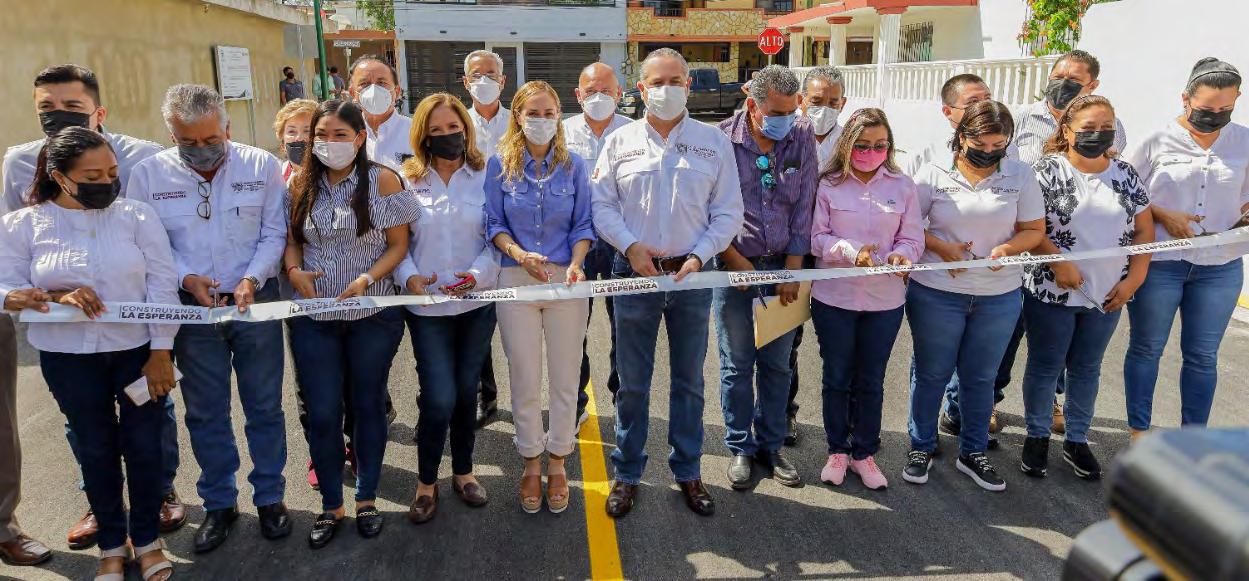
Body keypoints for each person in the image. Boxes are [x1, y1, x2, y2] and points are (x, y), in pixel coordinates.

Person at [0, 63, 182, 551]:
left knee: (145, 441)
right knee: (93, 444)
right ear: (59, 177)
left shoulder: (136, 212)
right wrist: (39, 295)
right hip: (68, 357)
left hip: (134, 351)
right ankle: (110, 538)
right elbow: (10, 277)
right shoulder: (23, 218)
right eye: (93, 176)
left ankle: (151, 523)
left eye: (112, 174)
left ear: (99, 112)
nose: (106, 182)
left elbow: (161, 283)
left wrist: (161, 350)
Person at [125, 84, 290, 553]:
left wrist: (252, 278)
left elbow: (274, 233)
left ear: (227, 128)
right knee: (205, 411)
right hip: (192, 311)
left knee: (264, 406)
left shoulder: (260, 166)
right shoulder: (148, 175)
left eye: (211, 139)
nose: (201, 149)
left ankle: (270, 497)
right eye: (188, 141)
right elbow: (149, 243)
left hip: (254, 303)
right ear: (171, 135)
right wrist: (187, 278)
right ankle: (219, 503)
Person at [592, 48, 744, 518]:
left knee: (689, 381)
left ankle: (688, 470)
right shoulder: (619, 141)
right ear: (641, 89)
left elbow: (728, 212)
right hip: (634, 273)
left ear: (689, 86)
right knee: (633, 382)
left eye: (676, 80)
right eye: (657, 82)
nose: (667, 89)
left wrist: (701, 255)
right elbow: (602, 206)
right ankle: (627, 472)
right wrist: (630, 247)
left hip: (691, 276)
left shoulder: (713, 143)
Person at [285, 99, 419, 548]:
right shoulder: (300, 183)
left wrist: (367, 278)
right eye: (321, 135)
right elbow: (292, 241)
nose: (329, 143)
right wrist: (293, 271)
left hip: (372, 316)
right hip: (315, 318)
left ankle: (366, 500)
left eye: (340, 135)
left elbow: (398, 245)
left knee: (367, 406)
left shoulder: (382, 180)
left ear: (360, 138)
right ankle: (331, 507)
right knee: (323, 412)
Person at [906, 100, 1045, 492]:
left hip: (998, 295)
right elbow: (908, 225)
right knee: (931, 373)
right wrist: (941, 248)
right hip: (937, 291)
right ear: (961, 135)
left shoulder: (1020, 174)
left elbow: (1034, 230)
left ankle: (973, 450)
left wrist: (1009, 249)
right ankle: (921, 446)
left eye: (998, 145)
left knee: (981, 377)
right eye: (980, 144)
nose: (988, 152)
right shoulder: (933, 171)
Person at [1021, 95, 1153, 480]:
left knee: (1087, 368)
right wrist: (1057, 262)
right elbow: (1030, 227)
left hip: (1107, 295)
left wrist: (1133, 281)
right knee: (1045, 365)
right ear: (1067, 131)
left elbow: (1144, 232)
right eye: (1088, 128)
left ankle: (1077, 439)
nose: (1098, 134)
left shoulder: (1125, 173)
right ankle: (1037, 435)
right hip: (1051, 291)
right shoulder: (1045, 171)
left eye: (1106, 127)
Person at [485, 81, 595, 514]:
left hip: (567, 280)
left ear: (558, 116)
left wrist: (577, 262)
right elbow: (494, 224)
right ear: (517, 116)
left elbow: (583, 224)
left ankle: (559, 460)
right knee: (525, 377)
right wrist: (518, 254)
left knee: (566, 379)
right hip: (517, 279)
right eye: (533, 112)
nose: (542, 120)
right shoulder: (499, 165)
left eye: (549, 112)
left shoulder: (574, 166)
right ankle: (531, 460)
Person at [1124, 58, 1247, 439]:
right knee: (1147, 348)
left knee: (1203, 356)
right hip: (1161, 261)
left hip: (1221, 265)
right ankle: (1140, 434)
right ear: (1186, 98)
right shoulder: (1156, 140)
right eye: (1206, 108)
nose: (1215, 115)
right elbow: (1124, 193)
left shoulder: (1244, 141)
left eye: (1225, 108)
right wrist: (1163, 215)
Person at [396, 93, 499, 525]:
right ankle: (426, 483)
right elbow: (396, 245)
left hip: (476, 305)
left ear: (466, 130)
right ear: (422, 136)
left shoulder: (487, 174)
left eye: (453, 128)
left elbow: (497, 238)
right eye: (435, 130)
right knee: (438, 397)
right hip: (428, 312)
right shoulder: (405, 180)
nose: (446, 136)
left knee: (465, 393)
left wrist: (476, 276)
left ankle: (463, 472)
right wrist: (409, 277)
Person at [810, 108, 923, 491]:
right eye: (862, 145)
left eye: (880, 145)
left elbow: (912, 238)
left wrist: (903, 255)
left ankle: (864, 453)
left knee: (871, 379)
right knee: (837, 376)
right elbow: (817, 239)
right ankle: (838, 450)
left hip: (884, 301)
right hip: (834, 299)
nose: (871, 153)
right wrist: (849, 250)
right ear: (847, 145)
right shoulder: (828, 184)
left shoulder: (902, 186)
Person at [715, 65, 815, 491]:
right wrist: (734, 259)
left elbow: (805, 205)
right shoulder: (720, 139)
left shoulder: (802, 137)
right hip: (734, 267)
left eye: (792, 111)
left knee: (777, 365)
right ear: (752, 103)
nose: (785, 120)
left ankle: (771, 447)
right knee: (737, 364)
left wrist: (793, 268)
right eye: (776, 113)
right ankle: (740, 445)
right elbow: (708, 207)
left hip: (784, 270)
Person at [784, 64, 847, 447]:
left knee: (837, 344)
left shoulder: (853, 143)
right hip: (793, 253)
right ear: (802, 101)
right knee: (786, 338)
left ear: (844, 103)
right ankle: (785, 413)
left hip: (837, 256)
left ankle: (844, 425)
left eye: (833, 102)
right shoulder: (786, 135)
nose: (825, 108)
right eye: (817, 100)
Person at [566, 62, 631, 424]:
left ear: (619, 93)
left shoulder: (635, 132)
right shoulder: (561, 132)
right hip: (578, 244)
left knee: (624, 324)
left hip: (622, 242)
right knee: (574, 327)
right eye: (591, 91)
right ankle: (576, 402)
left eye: (606, 91)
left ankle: (622, 397)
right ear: (578, 95)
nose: (599, 97)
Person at [462, 49, 510, 426]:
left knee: (515, 317)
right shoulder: (456, 123)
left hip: (513, 233)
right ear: (466, 82)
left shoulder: (518, 122)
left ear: (503, 81)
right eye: (477, 75)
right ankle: (484, 395)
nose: (484, 81)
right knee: (475, 320)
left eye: (491, 74)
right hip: (470, 230)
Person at [1011, 50, 1127, 165]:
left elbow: (1111, 168)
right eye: (1058, 77)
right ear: (1049, 78)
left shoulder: (1111, 125)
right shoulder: (1020, 118)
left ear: (1092, 86)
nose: (1063, 84)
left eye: (1073, 79)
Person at [900, 74, 991, 176]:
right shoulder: (924, 157)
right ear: (948, 112)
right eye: (973, 102)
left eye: (988, 99)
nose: (985, 108)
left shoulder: (1005, 154)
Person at [348, 54, 412, 173]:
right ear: (352, 93)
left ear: (397, 91)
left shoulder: (416, 132)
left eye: (381, 83)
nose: (373, 90)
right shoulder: (345, 135)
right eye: (364, 83)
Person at [800, 65, 848, 167]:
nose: (823, 111)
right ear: (800, 101)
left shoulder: (850, 142)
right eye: (816, 102)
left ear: (842, 104)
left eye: (833, 103)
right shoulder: (784, 139)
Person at [275, 98, 317, 181]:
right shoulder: (275, 176)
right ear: (282, 145)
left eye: (308, 131)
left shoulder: (334, 177)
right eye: (291, 131)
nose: (299, 138)